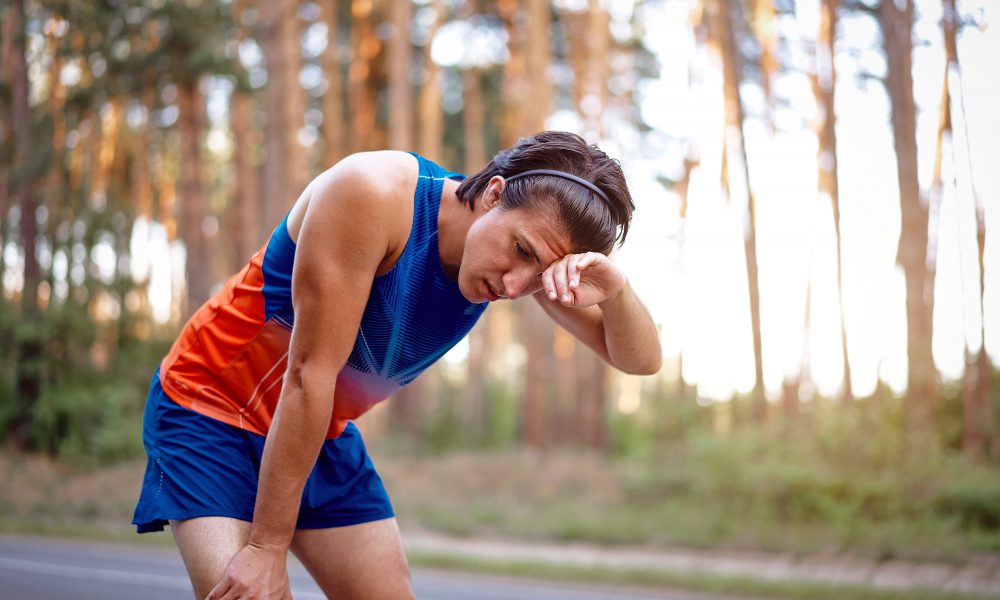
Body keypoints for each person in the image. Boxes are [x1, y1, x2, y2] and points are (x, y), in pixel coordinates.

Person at [131, 130, 661, 599]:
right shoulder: (374, 194)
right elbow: (309, 374)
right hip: (212, 407)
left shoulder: (521, 259)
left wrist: (616, 293)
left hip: (315, 432)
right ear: (494, 193)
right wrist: (267, 545)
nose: (516, 286)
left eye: (541, 272)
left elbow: (640, 360)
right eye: (520, 250)